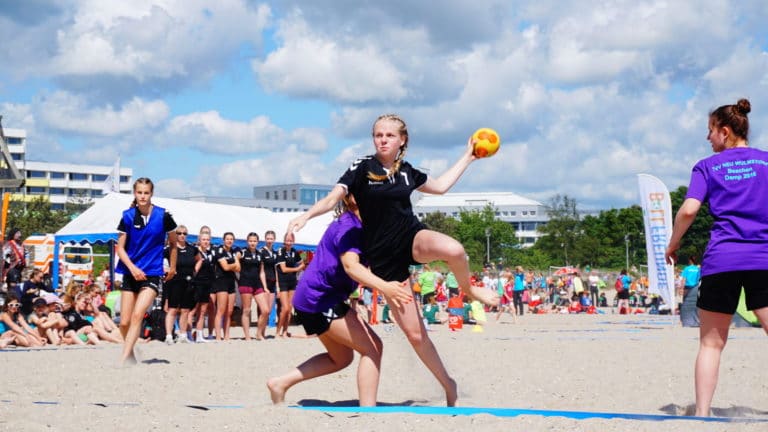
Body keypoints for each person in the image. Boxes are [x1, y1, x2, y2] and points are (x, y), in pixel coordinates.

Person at [288, 114, 498, 406]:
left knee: (454, 249)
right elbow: (333, 198)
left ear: (402, 141)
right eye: (378, 135)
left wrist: (468, 156)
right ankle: (448, 384)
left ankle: (471, 290)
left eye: (389, 135)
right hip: (385, 259)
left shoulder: (406, 170)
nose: (383, 139)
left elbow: (439, 187)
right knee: (415, 335)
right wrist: (306, 215)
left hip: (410, 237)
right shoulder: (362, 168)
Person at [665, 98, 768, 417]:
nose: (707, 137)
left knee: (711, 344)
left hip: (723, 259)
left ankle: (702, 414)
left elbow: (690, 209)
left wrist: (673, 243)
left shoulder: (707, 166)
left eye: (710, 130)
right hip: (763, 258)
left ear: (724, 131)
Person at [268, 193, 412, 406]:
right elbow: (351, 266)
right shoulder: (349, 227)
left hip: (316, 297)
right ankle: (368, 410)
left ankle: (280, 383)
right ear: (352, 198)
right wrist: (386, 288)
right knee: (373, 348)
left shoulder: (362, 226)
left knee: (341, 359)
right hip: (319, 298)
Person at [115, 177, 177, 365]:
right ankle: (131, 352)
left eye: (146, 192)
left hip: (152, 272)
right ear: (135, 193)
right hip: (130, 272)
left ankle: (124, 359)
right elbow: (119, 248)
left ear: (151, 193)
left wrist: (173, 267)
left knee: (137, 315)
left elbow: (174, 243)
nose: (142, 196)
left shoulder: (163, 215)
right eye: (139, 192)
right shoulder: (127, 216)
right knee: (124, 322)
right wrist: (133, 268)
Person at [163, 225, 199, 344]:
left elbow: (199, 259)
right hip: (174, 281)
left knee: (185, 310)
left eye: (184, 233)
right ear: (175, 235)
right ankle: (169, 335)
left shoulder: (192, 249)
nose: (182, 235)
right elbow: (159, 262)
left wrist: (195, 271)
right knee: (172, 309)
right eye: (179, 233)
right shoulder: (170, 249)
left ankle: (183, 335)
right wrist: (166, 270)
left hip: (188, 282)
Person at [238, 232, 268, 341]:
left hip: (257, 284)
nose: (252, 243)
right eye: (250, 241)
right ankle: (247, 336)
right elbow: (235, 263)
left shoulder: (260, 254)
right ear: (247, 241)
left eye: (254, 241)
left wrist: (265, 287)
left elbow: (262, 272)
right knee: (247, 310)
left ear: (258, 242)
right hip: (245, 283)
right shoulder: (242, 252)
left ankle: (258, 334)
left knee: (265, 310)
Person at [275, 232, 306, 338]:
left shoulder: (294, 251)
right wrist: (297, 269)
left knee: (290, 308)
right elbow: (283, 269)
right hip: (283, 282)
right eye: (287, 240)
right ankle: (277, 331)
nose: (289, 242)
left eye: (290, 241)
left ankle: (285, 331)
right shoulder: (280, 251)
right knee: (285, 308)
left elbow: (303, 262)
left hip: (292, 282)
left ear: (293, 241)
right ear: (284, 241)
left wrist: (300, 267)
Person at [212, 232, 239, 341]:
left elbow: (239, 268)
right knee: (221, 310)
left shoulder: (233, 251)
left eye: (231, 239)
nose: (229, 241)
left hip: (231, 282)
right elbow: (226, 267)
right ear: (223, 240)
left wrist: (233, 265)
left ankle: (227, 335)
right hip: (221, 281)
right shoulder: (220, 250)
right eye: (227, 239)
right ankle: (218, 336)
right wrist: (234, 264)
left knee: (229, 311)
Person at [191, 229, 215, 342]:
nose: (206, 241)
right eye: (204, 239)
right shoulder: (195, 252)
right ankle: (188, 334)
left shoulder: (210, 253)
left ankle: (200, 335)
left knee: (203, 311)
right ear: (199, 240)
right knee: (193, 310)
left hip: (207, 284)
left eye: (208, 239)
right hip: (197, 284)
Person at [259, 230, 279, 337]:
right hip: (264, 283)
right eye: (268, 238)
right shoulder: (261, 251)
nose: (270, 240)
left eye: (271, 239)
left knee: (269, 309)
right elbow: (261, 270)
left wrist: (277, 285)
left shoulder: (275, 253)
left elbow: (276, 269)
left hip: (272, 283)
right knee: (264, 310)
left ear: (274, 240)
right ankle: (259, 333)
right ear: (265, 239)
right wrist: (265, 286)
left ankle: (263, 332)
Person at [4, 228, 26, 297]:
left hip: (19, 269)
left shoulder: (21, 244)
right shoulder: (9, 244)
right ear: (13, 235)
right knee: (13, 285)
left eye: (20, 233)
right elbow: (5, 255)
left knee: (18, 284)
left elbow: (26, 253)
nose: (20, 235)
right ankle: (11, 299)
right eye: (17, 233)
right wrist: (7, 268)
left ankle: (14, 298)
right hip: (12, 268)